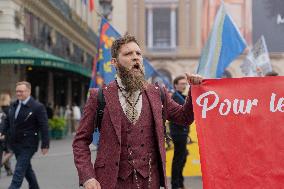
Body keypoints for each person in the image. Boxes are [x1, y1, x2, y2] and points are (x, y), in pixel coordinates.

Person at [72, 34, 203, 189]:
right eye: (128, 54)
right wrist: (88, 177)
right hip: (111, 182)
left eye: (138, 54)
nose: (136, 58)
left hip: (149, 181)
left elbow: (184, 117)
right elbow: (80, 141)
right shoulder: (98, 96)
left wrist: (195, 90)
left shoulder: (158, 93)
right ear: (115, 62)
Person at [0, 81, 49, 189]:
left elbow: (44, 126)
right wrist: (2, 131)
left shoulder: (37, 107)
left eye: (21, 91)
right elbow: (7, 120)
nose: (18, 93)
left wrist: (45, 144)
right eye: (17, 91)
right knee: (27, 169)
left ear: (28, 91)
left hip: (29, 144)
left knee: (19, 170)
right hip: (15, 143)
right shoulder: (14, 104)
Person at [169, 76, 190, 189]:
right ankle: (175, 184)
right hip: (178, 133)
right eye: (181, 83)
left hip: (183, 132)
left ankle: (179, 182)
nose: (183, 85)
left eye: (185, 84)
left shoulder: (181, 96)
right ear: (175, 85)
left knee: (183, 157)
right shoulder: (176, 97)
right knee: (178, 159)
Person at [0, 93, 13, 177]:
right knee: (10, 151)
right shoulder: (10, 109)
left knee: (4, 151)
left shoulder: (1, 109)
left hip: (2, 132)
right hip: (7, 133)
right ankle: (1, 164)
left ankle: (9, 170)